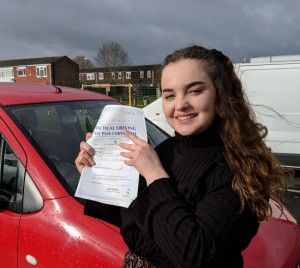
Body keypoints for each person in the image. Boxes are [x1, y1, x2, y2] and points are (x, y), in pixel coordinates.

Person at [75, 45, 287, 268]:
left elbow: (195, 255)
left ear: (220, 93)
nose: (180, 105)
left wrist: (155, 176)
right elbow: (138, 220)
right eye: (169, 95)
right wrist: (97, 174)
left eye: (194, 91)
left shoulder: (237, 165)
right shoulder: (167, 149)